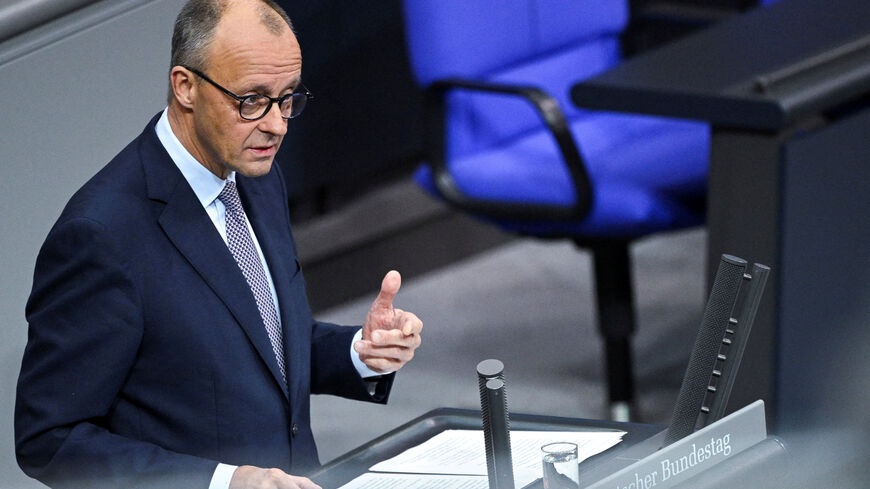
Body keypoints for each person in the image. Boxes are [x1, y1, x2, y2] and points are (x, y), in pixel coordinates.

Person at [14, 1, 423, 488]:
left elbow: (262, 344)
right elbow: (51, 440)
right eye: (251, 99)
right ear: (185, 86)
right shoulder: (100, 236)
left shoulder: (256, 175)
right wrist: (224, 481)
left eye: (287, 98)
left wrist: (361, 351)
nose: (277, 125)